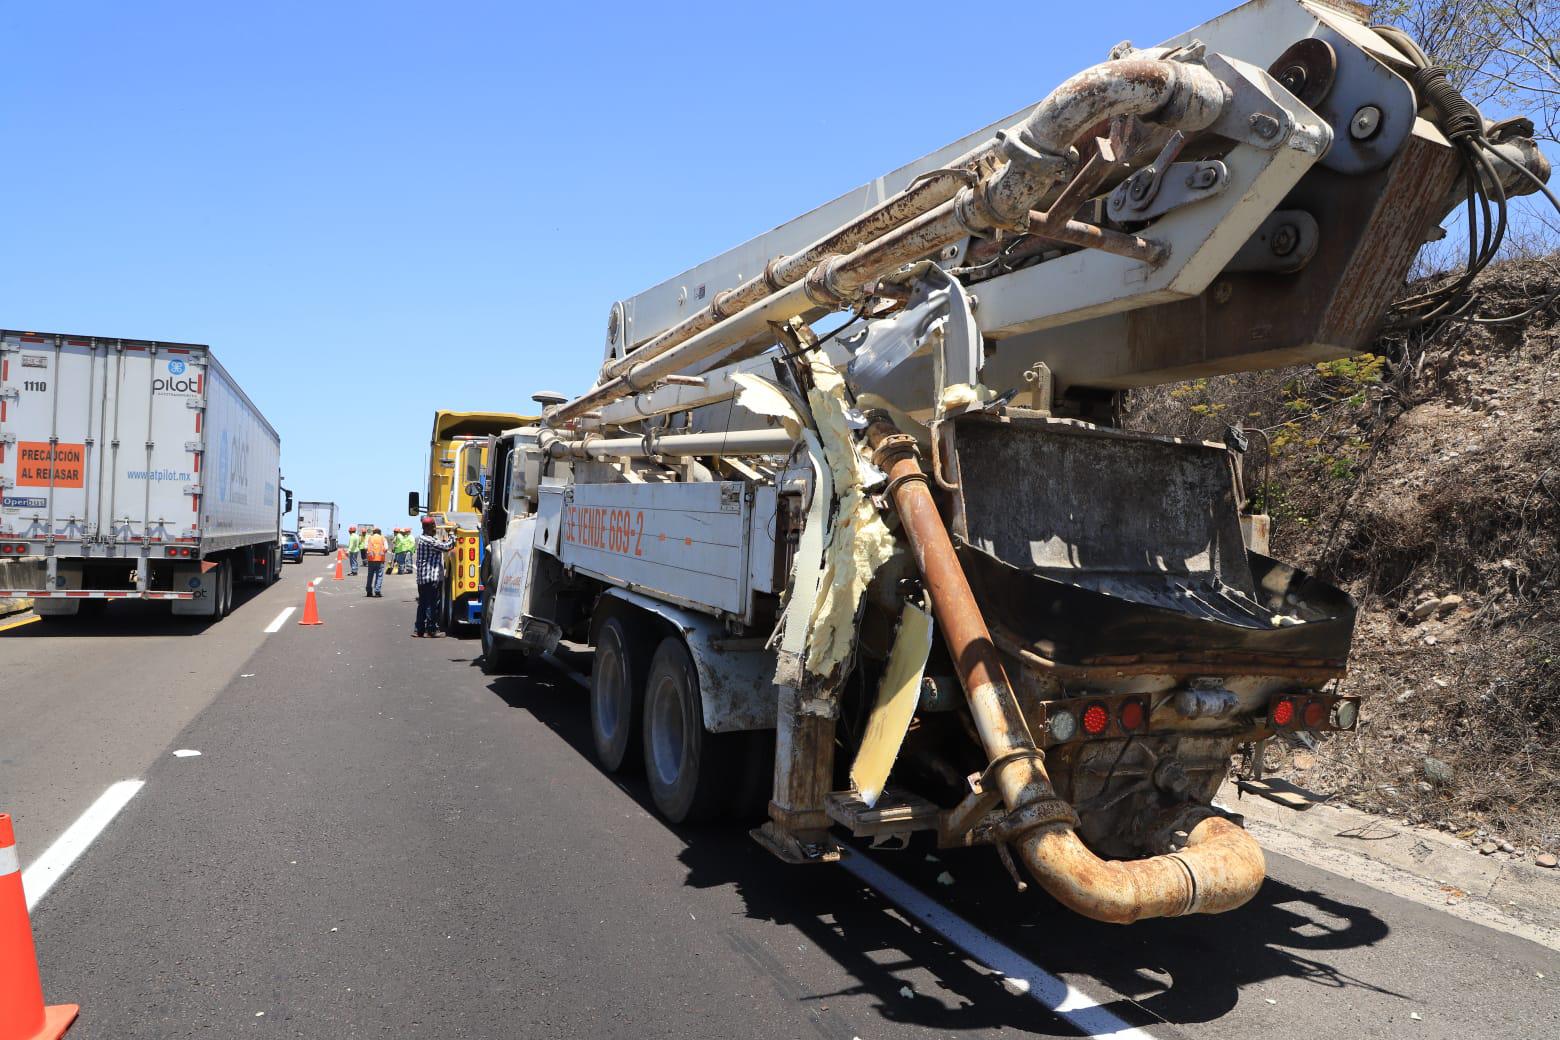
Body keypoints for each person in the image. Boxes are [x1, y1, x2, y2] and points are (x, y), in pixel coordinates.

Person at [413, 516, 455, 637]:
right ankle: (432, 630)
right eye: (433, 527)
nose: (435, 529)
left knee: (422, 604)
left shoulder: (423, 538)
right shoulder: (429, 541)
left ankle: (419, 630)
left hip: (422, 578)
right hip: (431, 577)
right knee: (432, 604)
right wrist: (452, 534)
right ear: (429, 528)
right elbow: (447, 547)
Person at [363, 526, 390, 598]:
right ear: (380, 532)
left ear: (373, 532)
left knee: (370, 576)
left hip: (371, 560)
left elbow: (365, 547)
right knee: (379, 576)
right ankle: (377, 591)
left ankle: (369, 592)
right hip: (380, 560)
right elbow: (386, 548)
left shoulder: (370, 538)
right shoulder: (382, 538)